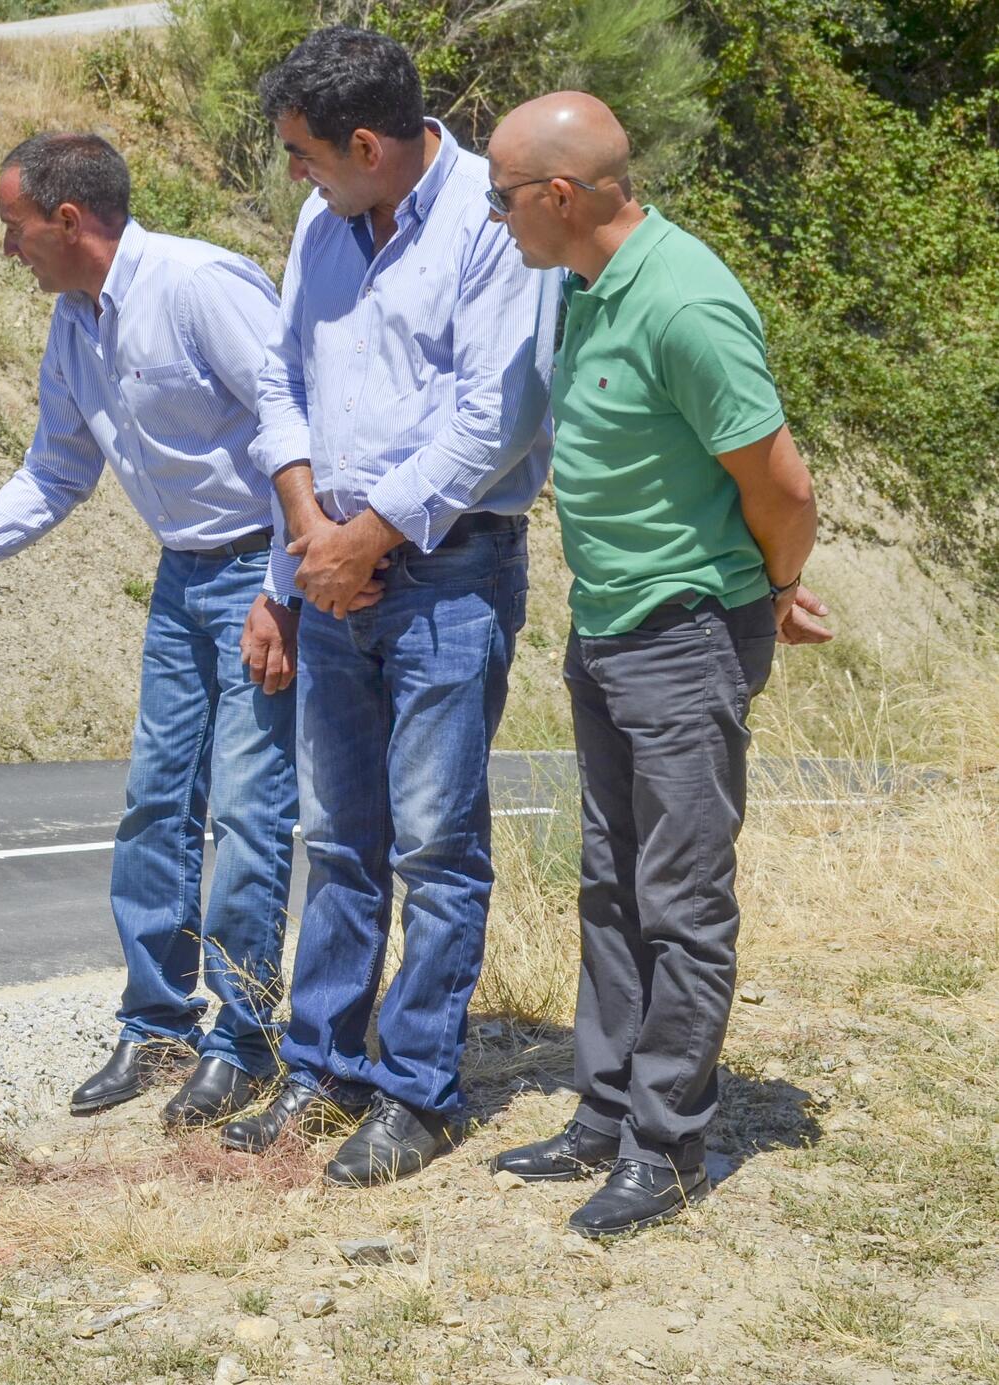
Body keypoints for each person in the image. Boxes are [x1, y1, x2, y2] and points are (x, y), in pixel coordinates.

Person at [0, 133, 301, 1128]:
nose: (5, 248)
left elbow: (295, 424)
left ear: (67, 219)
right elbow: (55, 473)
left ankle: (241, 1038)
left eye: (12, 226)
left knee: (247, 812)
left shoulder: (198, 285)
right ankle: (156, 1025)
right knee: (152, 807)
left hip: (262, 573)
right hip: (185, 576)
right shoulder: (75, 322)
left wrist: (285, 585)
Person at [481, 92, 832, 1236]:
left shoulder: (684, 300)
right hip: (611, 625)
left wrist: (771, 592)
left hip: (685, 629)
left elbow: (781, 486)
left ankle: (669, 1143)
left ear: (561, 196)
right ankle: (605, 1109)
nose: (496, 218)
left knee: (679, 896)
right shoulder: (582, 284)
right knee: (610, 880)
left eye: (502, 197)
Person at [221, 28, 558, 1186]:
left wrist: (364, 538)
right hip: (333, 569)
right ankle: (322, 1068)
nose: (296, 180)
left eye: (307, 157)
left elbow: (494, 411)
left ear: (367, 144)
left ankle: (418, 1089)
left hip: (446, 573)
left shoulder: (487, 221)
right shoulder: (324, 224)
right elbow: (280, 381)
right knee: (338, 839)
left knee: (433, 845)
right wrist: (308, 539)